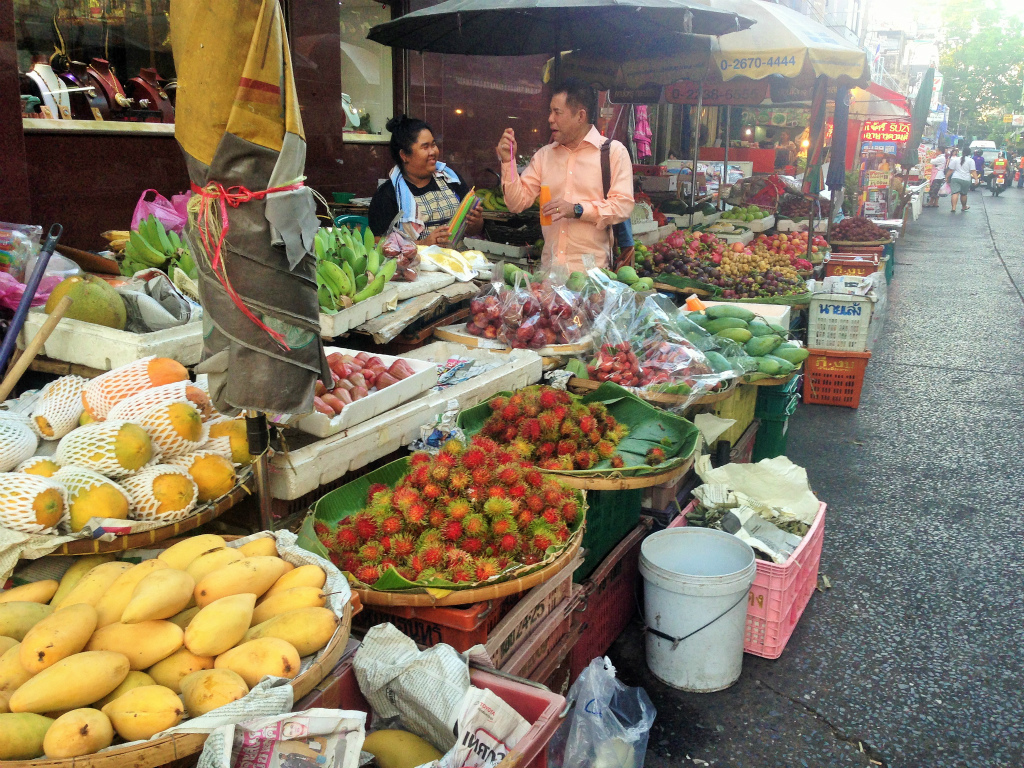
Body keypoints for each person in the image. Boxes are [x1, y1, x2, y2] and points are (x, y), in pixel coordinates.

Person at [495, 78, 634, 272]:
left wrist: (578, 210)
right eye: (550, 111)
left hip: (592, 276)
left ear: (580, 116)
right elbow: (516, 203)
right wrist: (508, 162)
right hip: (550, 275)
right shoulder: (545, 156)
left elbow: (623, 205)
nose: (550, 118)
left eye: (557, 112)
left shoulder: (613, 153)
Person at [368, 114, 484, 243]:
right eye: (425, 147)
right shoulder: (388, 194)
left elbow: (473, 231)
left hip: (457, 259)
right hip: (416, 263)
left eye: (433, 145)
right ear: (404, 155)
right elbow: (377, 242)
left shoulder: (451, 180)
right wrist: (424, 244)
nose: (433, 152)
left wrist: (475, 223)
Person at [945, 147, 973, 212]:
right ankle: (964, 207)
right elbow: (973, 171)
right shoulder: (971, 160)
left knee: (955, 193)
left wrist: (946, 177)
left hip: (955, 178)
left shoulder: (956, 159)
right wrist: (976, 179)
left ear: (962, 152)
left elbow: (951, 170)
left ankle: (953, 208)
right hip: (966, 179)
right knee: (963, 194)